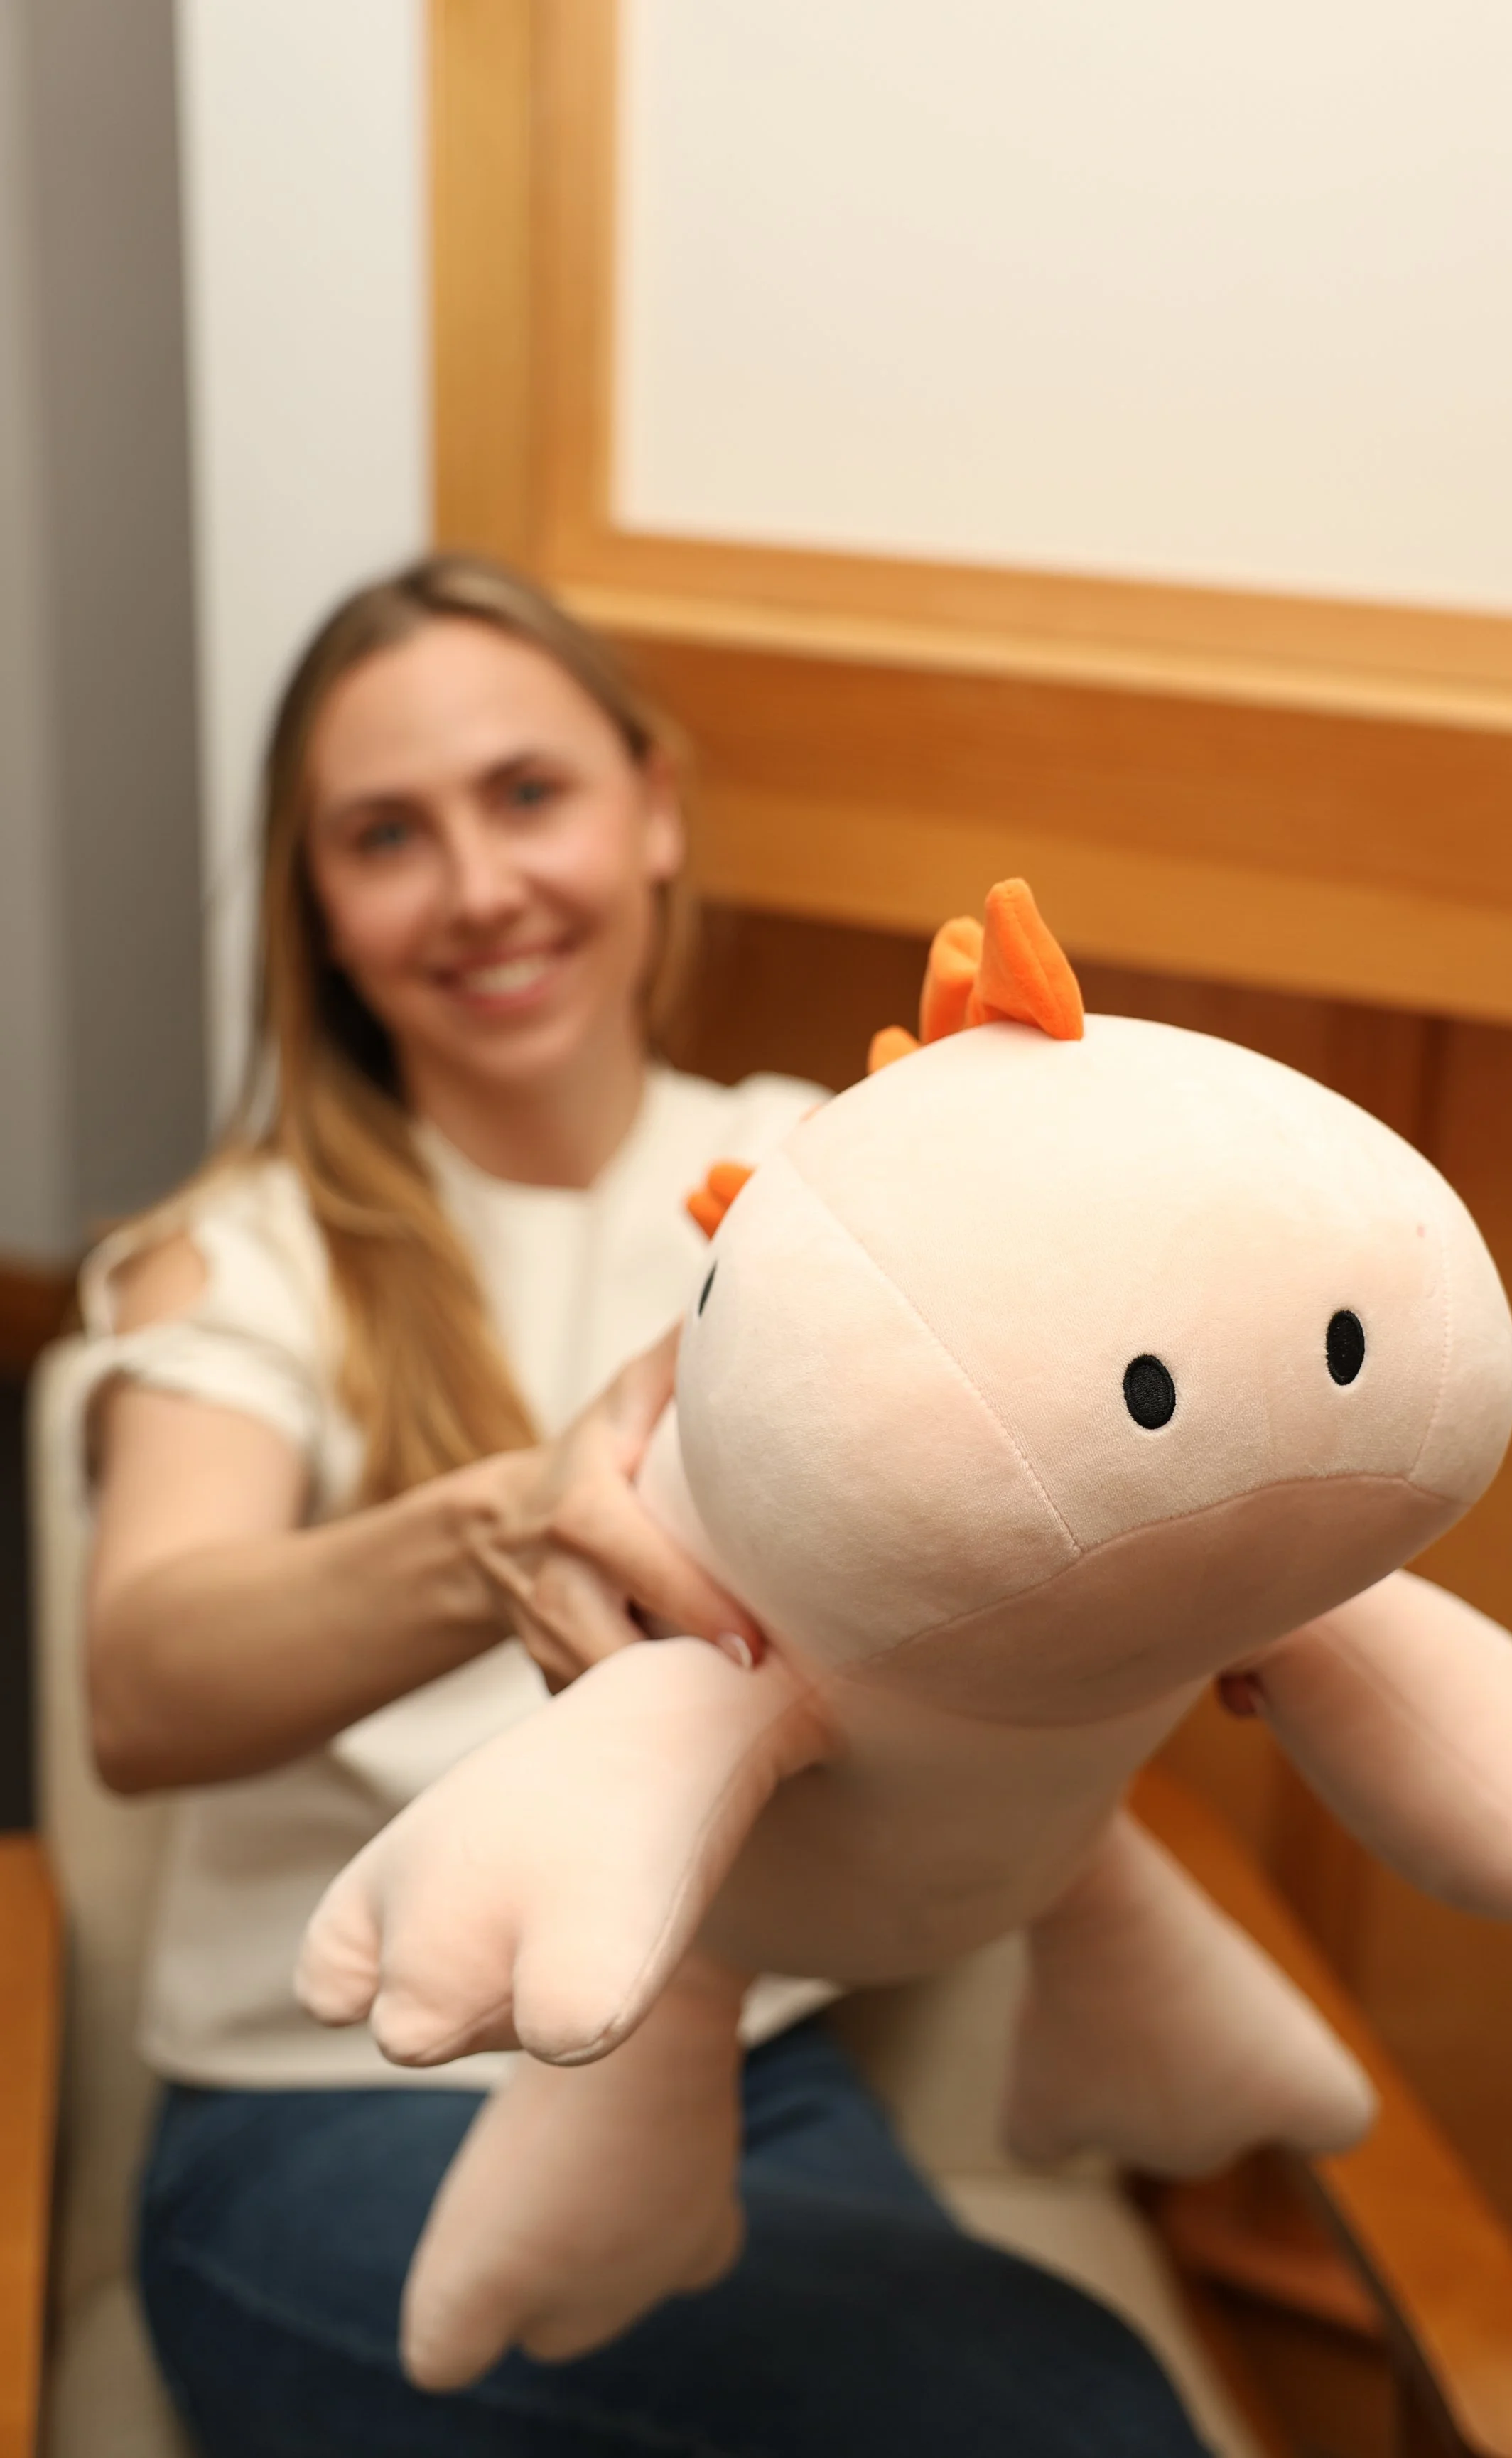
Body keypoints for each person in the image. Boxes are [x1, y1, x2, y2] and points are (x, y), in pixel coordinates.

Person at [77, 553, 1213, 2458]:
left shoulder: (824, 1173)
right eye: (384, 837)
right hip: (325, 2117)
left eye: (528, 795)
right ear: (321, 914)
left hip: (751, 2073)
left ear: (653, 806)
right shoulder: (242, 1258)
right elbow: (141, 1680)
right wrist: (492, 1531)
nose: (480, 888)